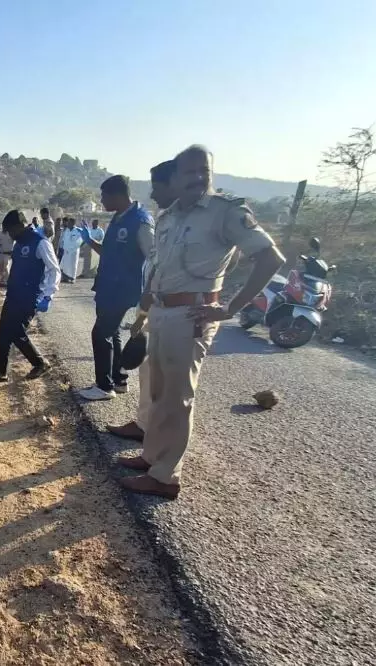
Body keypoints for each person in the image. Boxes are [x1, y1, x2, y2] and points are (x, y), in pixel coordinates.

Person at [117, 145, 284, 499]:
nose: (197, 178)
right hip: (162, 312)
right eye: (189, 172)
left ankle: (165, 478)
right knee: (160, 392)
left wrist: (231, 307)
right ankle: (152, 458)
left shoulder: (226, 212)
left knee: (178, 398)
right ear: (175, 178)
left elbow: (270, 258)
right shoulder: (168, 216)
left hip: (191, 316)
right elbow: (161, 264)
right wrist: (148, 298)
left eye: (203, 171)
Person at [108, 159, 177, 441]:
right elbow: (155, 266)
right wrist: (143, 309)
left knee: (171, 379)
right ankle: (144, 425)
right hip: (151, 303)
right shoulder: (167, 220)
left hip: (175, 307)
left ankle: (160, 440)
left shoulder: (147, 222)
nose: (152, 194)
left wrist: (227, 306)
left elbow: (154, 259)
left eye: (156, 187)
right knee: (148, 369)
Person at [76, 175, 154, 401]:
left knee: (100, 334)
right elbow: (109, 253)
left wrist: (148, 295)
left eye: (103, 196)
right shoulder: (119, 218)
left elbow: (154, 259)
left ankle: (103, 386)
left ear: (117, 195)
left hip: (121, 289)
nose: (102, 201)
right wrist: (89, 241)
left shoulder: (140, 221)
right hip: (108, 287)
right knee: (113, 333)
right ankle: (118, 380)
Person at [0, 210, 61, 382]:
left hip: (29, 297)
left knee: (16, 331)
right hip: (13, 295)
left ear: (20, 226)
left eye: (11, 231)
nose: (10, 235)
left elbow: (54, 270)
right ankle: (0, 372)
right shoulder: (19, 243)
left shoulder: (40, 242)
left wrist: (48, 295)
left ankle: (40, 363)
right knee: (3, 332)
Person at [59, 217, 82, 282]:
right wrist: (63, 248)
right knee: (64, 265)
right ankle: (65, 278)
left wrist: (72, 248)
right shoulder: (67, 230)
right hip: (66, 251)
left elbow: (79, 241)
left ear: (72, 223)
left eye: (69, 222)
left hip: (73, 252)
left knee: (72, 265)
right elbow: (64, 240)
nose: (67, 224)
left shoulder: (77, 231)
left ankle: (72, 278)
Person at [0, 220, 15, 287]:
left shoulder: (11, 233)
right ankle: (1, 281)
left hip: (8, 254)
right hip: (1, 253)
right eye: (3, 226)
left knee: (6, 268)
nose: (3, 227)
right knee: (1, 268)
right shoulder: (1, 233)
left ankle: (6, 282)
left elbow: (15, 242)